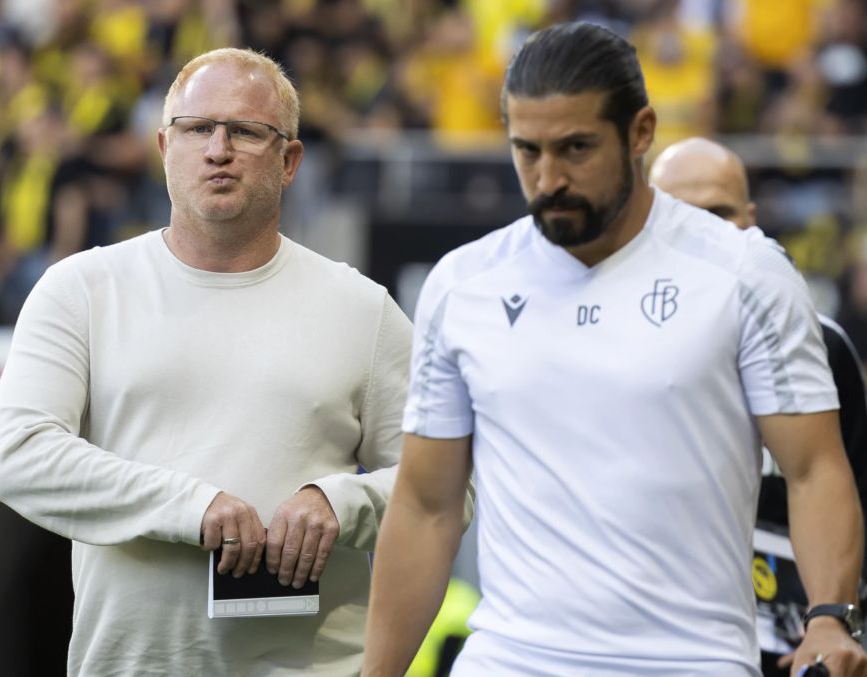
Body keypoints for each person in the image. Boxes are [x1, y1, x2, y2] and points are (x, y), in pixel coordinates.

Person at [363, 21, 867, 677]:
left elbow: (815, 469)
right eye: (527, 151)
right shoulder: (464, 284)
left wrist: (830, 616)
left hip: (692, 662)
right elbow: (427, 506)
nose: (549, 178)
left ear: (641, 131)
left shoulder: (745, 273)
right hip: (509, 658)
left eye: (575, 148)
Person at [0, 47, 417, 676]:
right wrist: (192, 507)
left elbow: (442, 486)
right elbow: (21, 456)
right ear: (164, 147)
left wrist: (340, 503)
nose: (218, 149)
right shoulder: (80, 289)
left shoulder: (362, 308)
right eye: (197, 130)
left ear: (290, 160)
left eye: (246, 131)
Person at [649, 135, 867, 674]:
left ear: (750, 220)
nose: (701, 231)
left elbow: (852, 493)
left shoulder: (822, 345)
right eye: (679, 214)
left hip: (796, 645)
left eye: (718, 213)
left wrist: (835, 621)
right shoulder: (607, 350)